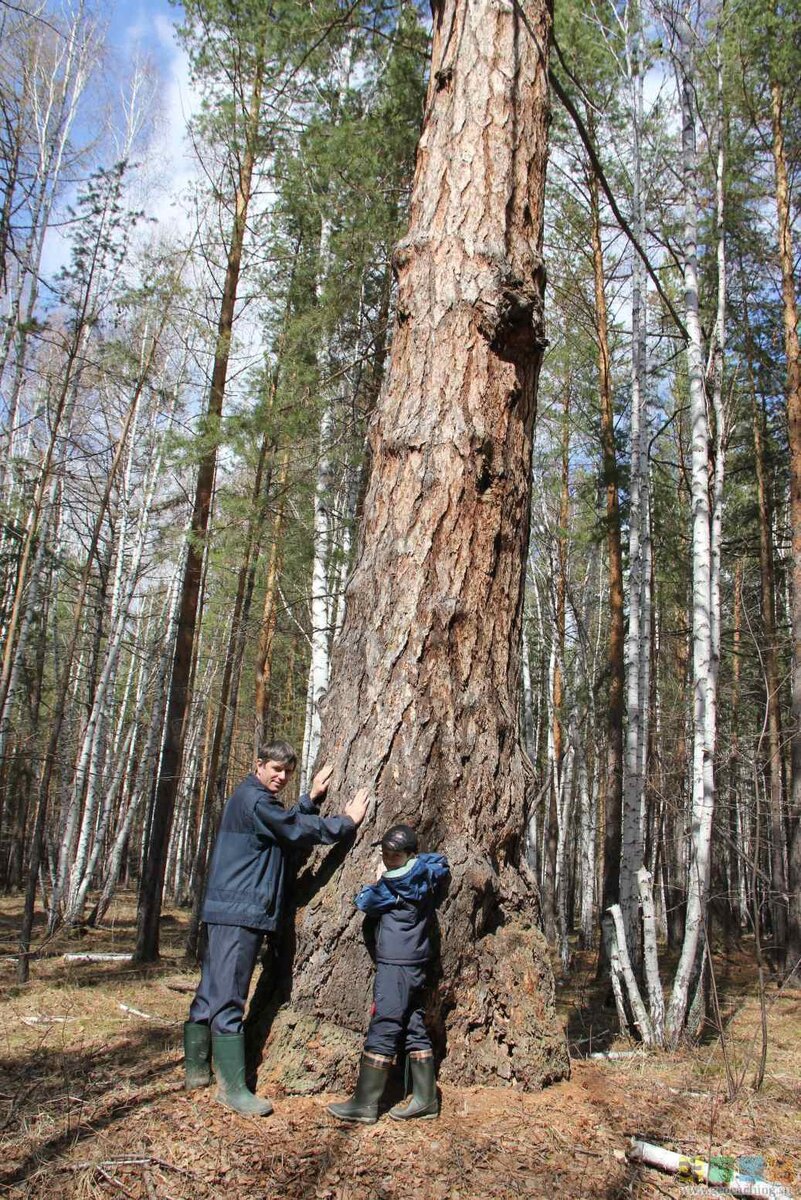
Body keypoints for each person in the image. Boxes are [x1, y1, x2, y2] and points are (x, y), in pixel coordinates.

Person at [184, 740, 370, 1116]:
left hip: (228, 909)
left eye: (287, 772)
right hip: (238, 911)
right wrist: (346, 822)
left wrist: (310, 799)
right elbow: (293, 831)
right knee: (229, 995)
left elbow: (277, 827)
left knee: (211, 990)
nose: (281, 778)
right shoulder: (255, 800)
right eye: (275, 769)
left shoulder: (252, 799)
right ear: (259, 765)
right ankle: (232, 1088)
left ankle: (196, 1073)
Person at [327, 823, 449, 1125]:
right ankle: (425, 1099)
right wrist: (416, 861)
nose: (387, 858)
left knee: (385, 1024)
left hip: (395, 963)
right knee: (413, 1024)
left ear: (403, 856)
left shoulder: (390, 887)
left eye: (391, 855)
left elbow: (364, 901)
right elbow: (440, 864)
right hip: (417, 962)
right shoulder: (428, 875)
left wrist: (381, 877)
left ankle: (366, 1103)